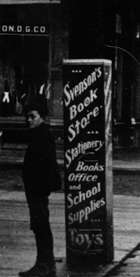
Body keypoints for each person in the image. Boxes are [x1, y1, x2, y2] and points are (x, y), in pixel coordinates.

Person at [19, 101, 60, 277]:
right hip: (38, 188)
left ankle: (42, 265)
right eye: (27, 117)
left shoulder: (41, 136)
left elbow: (44, 165)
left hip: (37, 189)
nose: (29, 120)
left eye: (33, 116)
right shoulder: (40, 134)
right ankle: (47, 264)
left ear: (42, 118)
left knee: (40, 226)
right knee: (41, 225)